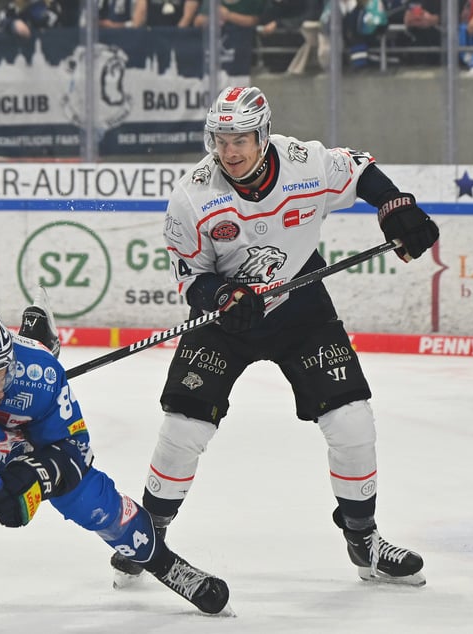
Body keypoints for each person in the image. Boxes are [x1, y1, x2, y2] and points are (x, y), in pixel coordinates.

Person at [109, 86, 438, 589]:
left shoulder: (305, 162)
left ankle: (364, 540)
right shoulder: (193, 194)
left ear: (262, 135)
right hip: (228, 320)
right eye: (221, 139)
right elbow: (190, 276)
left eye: (240, 138)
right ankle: (147, 537)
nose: (230, 151)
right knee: (183, 428)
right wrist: (221, 296)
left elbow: (361, 169)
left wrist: (395, 205)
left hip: (300, 308)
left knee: (352, 422)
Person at [0, 299, 231, 615]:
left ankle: (163, 561)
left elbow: (76, 451)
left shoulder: (37, 371)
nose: (0, 389)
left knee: (84, 496)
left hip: (27, 422)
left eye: (3, 373)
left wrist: (37, 477)